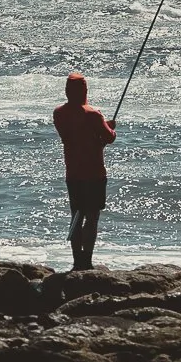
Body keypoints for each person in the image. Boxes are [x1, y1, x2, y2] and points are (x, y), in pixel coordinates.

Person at [53, 72, 116, 270]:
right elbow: (109, 137)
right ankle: (86, 261)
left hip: (73, 173)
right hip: (94, 173)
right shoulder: (94, 114)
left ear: (67, 91)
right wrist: (109, 127)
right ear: (84, 91)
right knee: (92, 217)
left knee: (76, 215)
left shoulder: (59, 113)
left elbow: (73, 136)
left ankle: (76, 262)